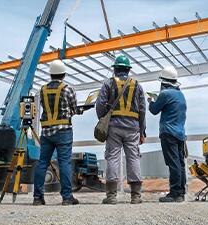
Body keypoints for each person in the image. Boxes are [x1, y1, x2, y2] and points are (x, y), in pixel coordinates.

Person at [33, 59, 91, 206]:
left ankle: (37, 198)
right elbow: (73, 110)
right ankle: (67, 197)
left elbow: (46, 108)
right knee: (64, 162)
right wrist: (83, 109)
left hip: (46, 132)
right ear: (63, 74)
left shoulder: (42, 89)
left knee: (42, 163)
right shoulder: (68, 89)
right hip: (63, 131)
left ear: (51, 74)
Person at [96, 55, 146, 204]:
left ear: (115, 69)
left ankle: (111, 196)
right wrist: (142, 131)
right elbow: (142, 110)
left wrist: (104, 120)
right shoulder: (137, 85)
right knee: (133, 158)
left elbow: (99, 105)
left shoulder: (108, 84)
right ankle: (136, 196)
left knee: (112, 158)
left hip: (113, 127)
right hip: (132, 128)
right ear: (128, 69)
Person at [148, 66, 187, 203]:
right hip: (180, 133)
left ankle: (174, 193)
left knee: (173, 163)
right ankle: (181, 192)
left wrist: (150, 101)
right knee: (180, 163)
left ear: (163, 82)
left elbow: (154, 110)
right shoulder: (180, 94)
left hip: (168, 133)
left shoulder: (165, 94)